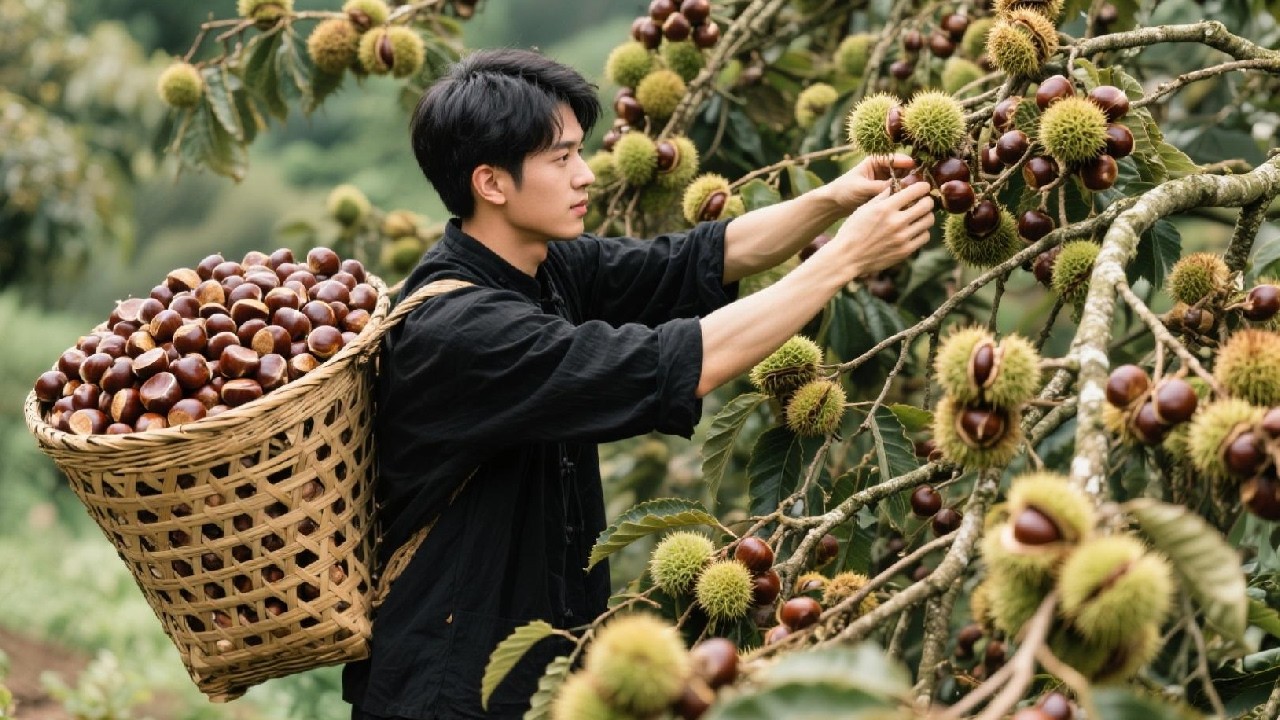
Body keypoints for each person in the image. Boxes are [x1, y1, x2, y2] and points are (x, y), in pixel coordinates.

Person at [341, 48, 935, 719]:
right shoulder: (463, 330)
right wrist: (845, 258)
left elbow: (697, 258)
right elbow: (676, 361)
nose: (586, 174)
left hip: (539, 681)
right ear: (492, 183)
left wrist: (831, 199)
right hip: (447, 694)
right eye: (562, 158)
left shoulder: (543, 266)